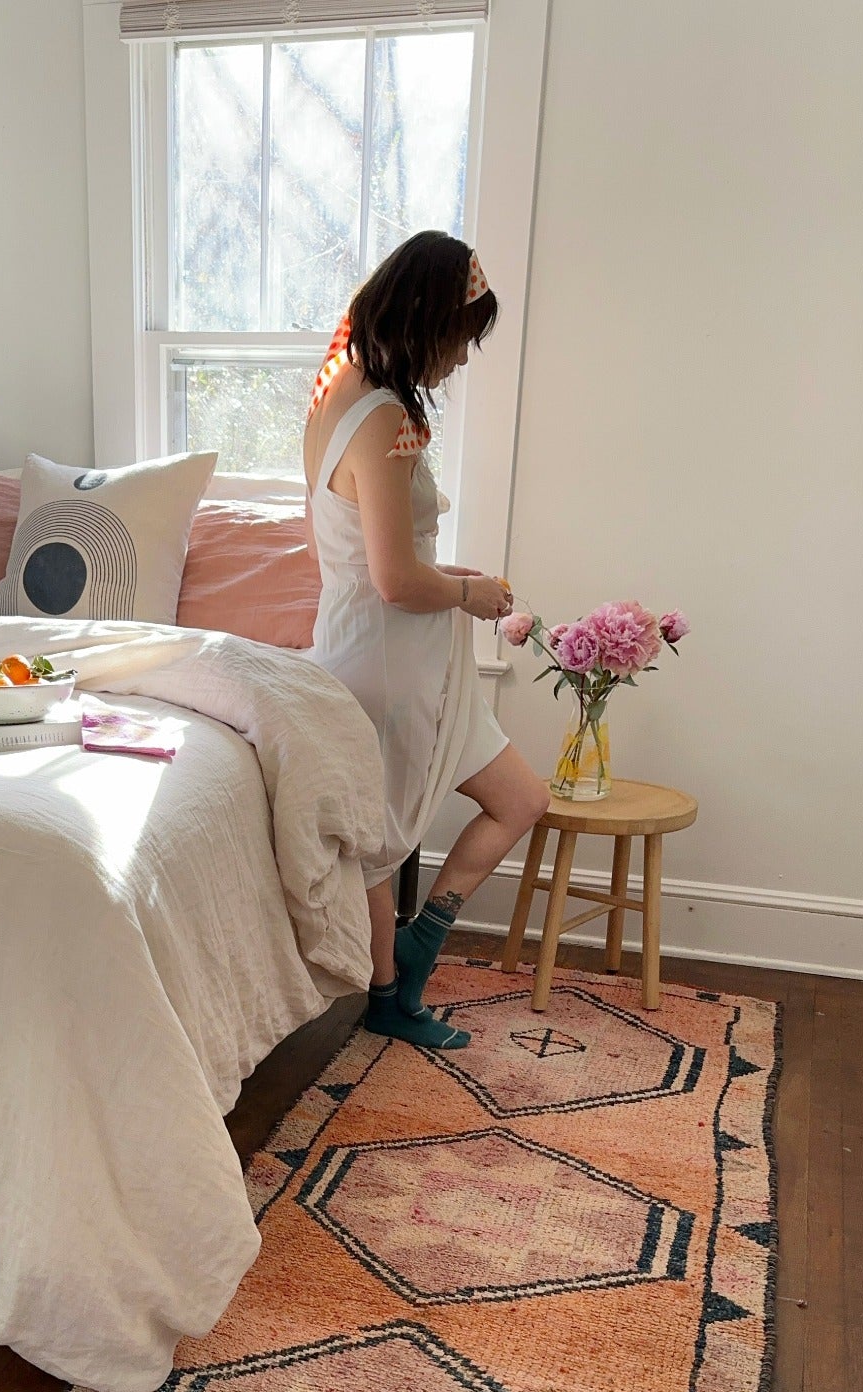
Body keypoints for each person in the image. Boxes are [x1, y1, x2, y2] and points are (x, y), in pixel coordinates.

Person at [304, 231, 549, 1050]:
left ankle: (418, 944)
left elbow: (388, 555)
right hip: (384, 658)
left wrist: (454, 580)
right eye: (461, 336)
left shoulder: (345, 392)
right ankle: (390, 995)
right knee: (382, 838)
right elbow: (392, 581)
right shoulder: (382, 418)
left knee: (521, 799)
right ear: (426, 321)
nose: (462, 359)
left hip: (408, 651)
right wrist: (468, 594)